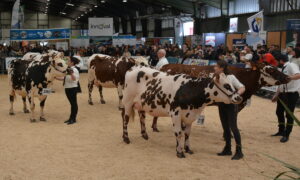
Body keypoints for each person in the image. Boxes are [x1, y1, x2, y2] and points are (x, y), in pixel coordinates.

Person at [214, 60, 246, 160]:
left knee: (233, 127)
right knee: (225, 127)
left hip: (231, 105)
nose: (214, 68)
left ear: (222, 68)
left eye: (216, 66)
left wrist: (237, 94)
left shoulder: (231, 77)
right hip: (221, 104)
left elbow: (242, 87)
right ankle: (227, 149)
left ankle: (239, 151)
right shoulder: (215, 78)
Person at [271, 51, 300, 142]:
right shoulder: (282, 68)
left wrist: (289, 78)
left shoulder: (291, 65)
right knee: (279, 112)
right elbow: (281, 84)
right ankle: (281, 130)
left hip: (291, 94)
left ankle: (287, 134)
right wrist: (276, 94)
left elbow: (298, 75)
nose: (276, 63)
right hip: (282, 94)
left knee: (289, 114)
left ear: (280, 60)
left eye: (276, 61)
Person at [56, 57, 80, 125]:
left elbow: (74, 79)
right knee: (72, 104)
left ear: (72, 62)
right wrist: (55, 77)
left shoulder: (74, 70)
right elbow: (65, 78)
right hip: (67, 88)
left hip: (72, 88)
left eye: (69, 61)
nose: (67, 62)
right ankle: (71, 118)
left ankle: (73, 119)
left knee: (73, 104)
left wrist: (71, 73)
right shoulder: (69, 69)